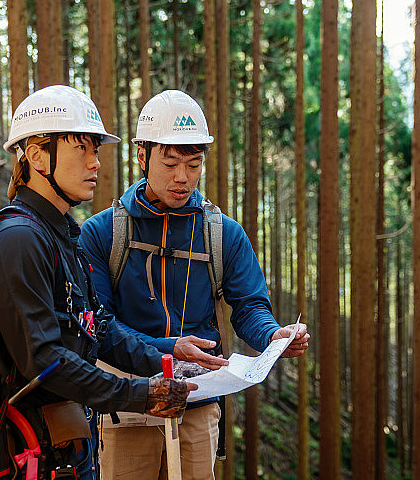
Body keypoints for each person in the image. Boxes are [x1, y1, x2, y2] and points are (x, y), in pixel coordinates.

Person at [80, 89, 310, 479]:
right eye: (170, 163)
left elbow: (250, 306)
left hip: (198, 405)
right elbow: (99, 328)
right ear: (142, 156)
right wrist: (171, 349)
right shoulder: (102, 234)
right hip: (127, 404)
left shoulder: (223, 235)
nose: (182, 177)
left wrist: (273, 336)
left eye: (193, 163)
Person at [0, 85, 196, 480]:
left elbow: (98, 330)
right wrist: (140, 395)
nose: (95, 163)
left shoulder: (62, 234)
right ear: (36, 155)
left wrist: (171, 367)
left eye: (96, 150)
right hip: (36, 455)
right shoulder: (18, 239)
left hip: (69, 447)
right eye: (81, 148)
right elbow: (45, 362)